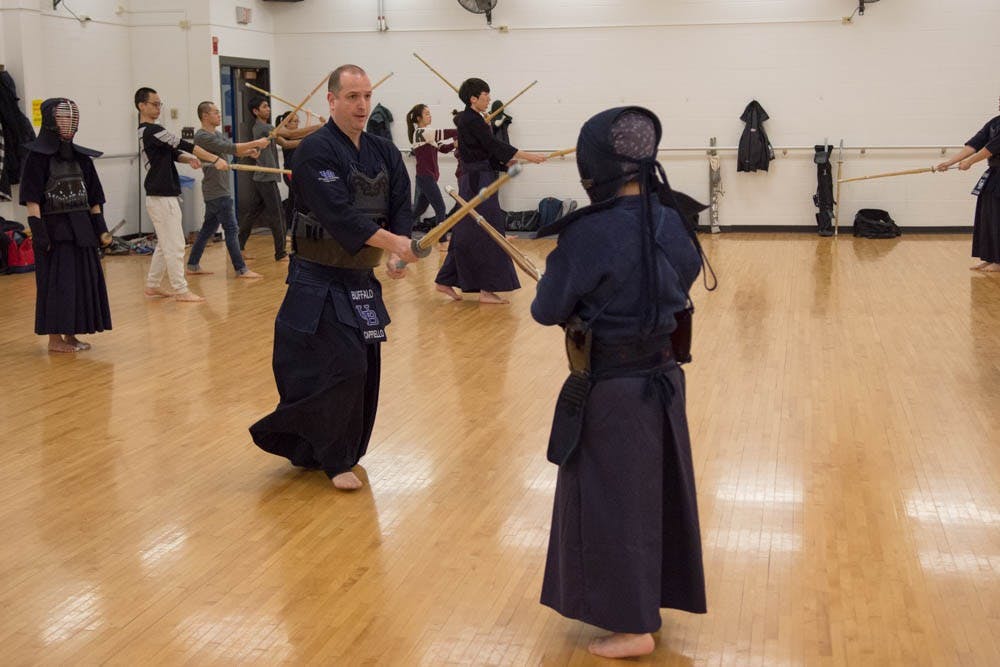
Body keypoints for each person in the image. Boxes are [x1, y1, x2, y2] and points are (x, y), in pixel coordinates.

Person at [531, 107, 707, 659]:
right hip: (663, 382)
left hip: (613, 390)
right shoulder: (674, 218)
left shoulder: (589, 233)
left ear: (595, 165)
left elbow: (545, 309)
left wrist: (562, 279)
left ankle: (634, 626)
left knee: (613, 504)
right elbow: (682, 275)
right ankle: (649, 597)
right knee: (652, 495)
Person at [249, 64, 419, 491]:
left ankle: (336, 448)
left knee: (365, 367)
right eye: (352, 97)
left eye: (366, 96)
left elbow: (401, 200)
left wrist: (398, 249)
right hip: (317, 280)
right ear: (332, 100)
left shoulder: (384, 151)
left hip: (360, 280)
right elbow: (339, 215)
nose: (362, 105)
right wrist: (394, 244)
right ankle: (333, 458)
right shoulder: (314, 152)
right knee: (341, 367)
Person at [434, 77, 546, 304]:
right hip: (476, 182)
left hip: (479, 178)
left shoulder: (474, 119)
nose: (489, 99)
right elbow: (494, 146)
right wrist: (526, 156)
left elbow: (484, 152)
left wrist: (506, 164)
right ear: (473, 98)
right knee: (487, 230)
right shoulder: (469, 120)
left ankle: (445, 280)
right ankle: (485, 289)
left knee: (468, 231)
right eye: (486, 95)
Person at [20, 98, 112, 353]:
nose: (68, 123)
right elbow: (32, 199)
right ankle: (54, 339)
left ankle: (70, 335)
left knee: (81, 283)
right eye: (62, 118)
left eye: (72, 118)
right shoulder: (37, 157)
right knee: (57, 284)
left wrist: (101, 229)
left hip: (82, 229)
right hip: (54, 230)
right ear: (50, 120)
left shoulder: (83, 159)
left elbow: (94, 199)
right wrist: (39, 234)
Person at [135, 86, 228, 302]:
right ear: (142, 105)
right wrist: (215, 159)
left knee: (164, 243)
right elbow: (185, 144)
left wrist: (189, 160)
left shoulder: (151, 132)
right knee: (175, 244)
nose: (158, 108)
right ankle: (180, 289)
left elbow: (174, 153)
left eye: (160, 104)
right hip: (161, 196)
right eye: (154, 104)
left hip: (163, 194)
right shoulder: (151, 130)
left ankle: (152, 285)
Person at [188, 101, 268, 278]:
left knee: (208, 230)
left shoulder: (216, 134)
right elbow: (230, 148)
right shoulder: (202, 137)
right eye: (215, 112)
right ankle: (241, 269)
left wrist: (250, 152)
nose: (219, 115)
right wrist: (256, 142)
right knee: (231, 228)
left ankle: (192, 265)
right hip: (216, 191)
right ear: (205, 116)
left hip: (219, 189)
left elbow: (234, 151)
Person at [240, 97, 320, 262]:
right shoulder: (264, 128)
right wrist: (320, 127)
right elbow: (290, 133)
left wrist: (311, 137)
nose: (268, 109)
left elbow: (287, 143)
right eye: (264, 107)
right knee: (277, 214)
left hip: (261, 177)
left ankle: (238, 246)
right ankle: (280, 253)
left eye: (268, 106)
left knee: (252, 213)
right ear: (256, 111)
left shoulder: (267, 129)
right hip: (266, 178)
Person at [936, 95, 1000, 272]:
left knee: (998, 217)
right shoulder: (995, 122)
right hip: (994, 174)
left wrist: (970, 162)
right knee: (987, 215)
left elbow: (993, 147)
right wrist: (950, 162)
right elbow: (975, 144)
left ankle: (999, 260)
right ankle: (990, 257)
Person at [405, 103, 457, 230]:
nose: (430, 116)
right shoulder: (423, 132)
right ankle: (442, 239)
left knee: (418, 210)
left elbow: (443, 148)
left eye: (430, 113)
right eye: (426, 114)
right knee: (441, 208)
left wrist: (455, 144)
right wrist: (465, 128)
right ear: (418, 118)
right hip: (426, 177)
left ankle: (401, 230)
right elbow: (447, 133)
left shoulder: (428, 134)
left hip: (428, 177)